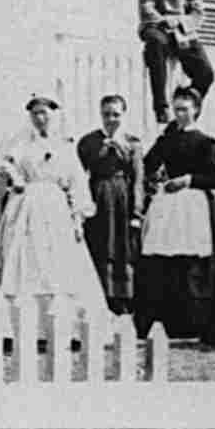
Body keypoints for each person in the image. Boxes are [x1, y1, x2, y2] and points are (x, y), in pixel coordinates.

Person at [0, 93, 105, 307]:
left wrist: (78, 218)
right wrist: (11, 175)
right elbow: (5, 166)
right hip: (26, 203)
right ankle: (23, 314)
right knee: (27, 255)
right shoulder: (21, 144)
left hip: (55, 205)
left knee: (57, 259)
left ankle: (59, 313)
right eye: (35, 114)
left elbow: (76, 181)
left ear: (54, 115)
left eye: (44, 113)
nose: (40, 118)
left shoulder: (64, 146)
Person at [135, 88, 215, 340]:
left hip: (192, 203)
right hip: (168, 204)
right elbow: (149, 164)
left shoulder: (205, 142)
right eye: (176, 109)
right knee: (164, 261)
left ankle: (192, 324)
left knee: (190, 262)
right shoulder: (168, 139)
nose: (180, 114)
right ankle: (166, 322)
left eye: (185, 109)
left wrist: (188, 180)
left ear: (196, 110)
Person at [76, 93, 144, 314]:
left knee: (123, 246)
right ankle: (100, 295)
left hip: (123, 197)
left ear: (123, 115)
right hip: (99, 196)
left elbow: (138, 178)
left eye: (116, 114)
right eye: (106, 114)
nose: (111, 119)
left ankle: (122, 298)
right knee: (101, 242)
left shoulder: (133, 143)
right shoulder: (89, 141)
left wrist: (136, 213)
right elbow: (79, 173)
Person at [136, 0, 215, 116]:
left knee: (205, 72)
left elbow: (197, 11)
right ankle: (161, 106)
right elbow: (146, 7)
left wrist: (181, 24)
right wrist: (166, 22)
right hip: (157, 26)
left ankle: (186, 104)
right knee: (156, 44)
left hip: (182, 29)